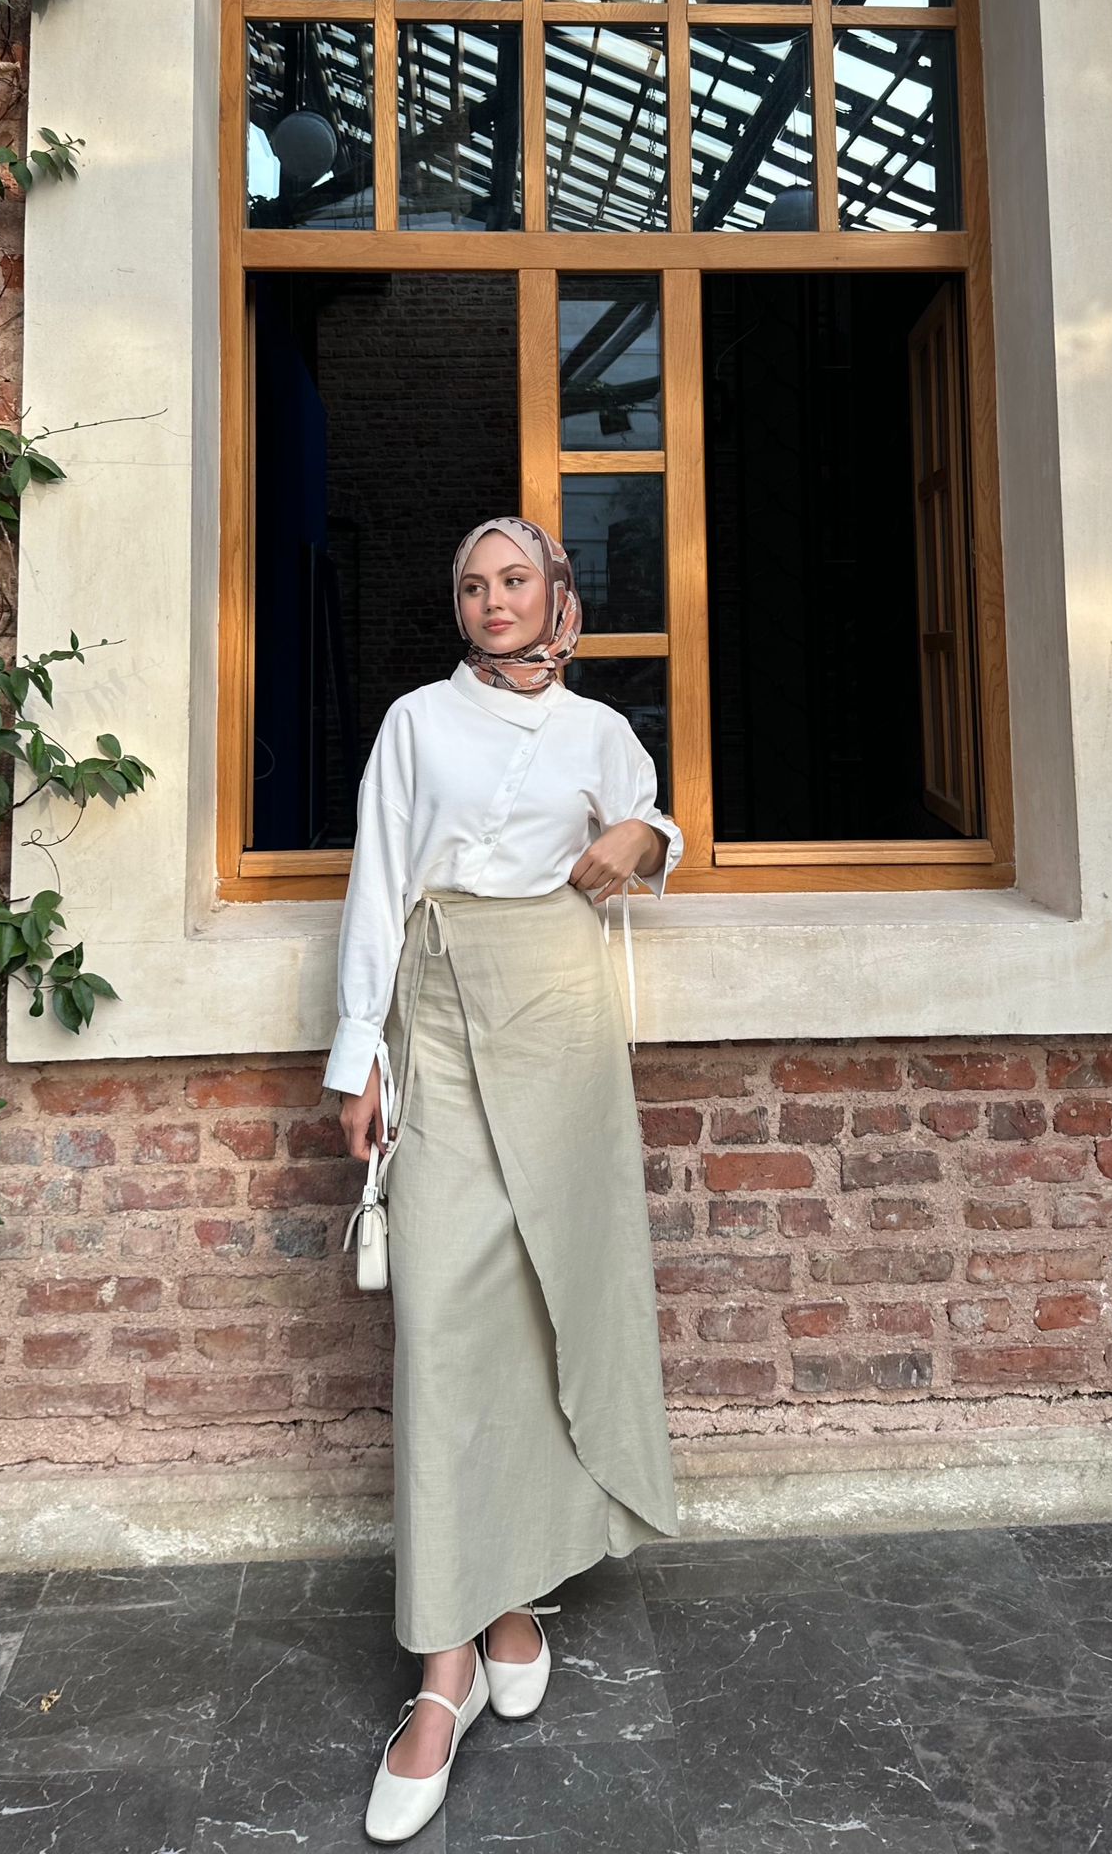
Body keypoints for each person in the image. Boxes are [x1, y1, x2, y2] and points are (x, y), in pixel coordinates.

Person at [324, 514, 683, 1845]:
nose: (491, 599)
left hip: (561, 1018)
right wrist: (359, 1058)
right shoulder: (416, 722)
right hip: (438, 1011)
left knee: (539, 1304)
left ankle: (516, 1596)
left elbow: (653, 823)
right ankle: (445, 1666)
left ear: (557, 597)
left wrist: (645, 838)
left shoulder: (598, 730)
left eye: (514, 579)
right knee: (441, 1321)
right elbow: (376, 886)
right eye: (472, 583)